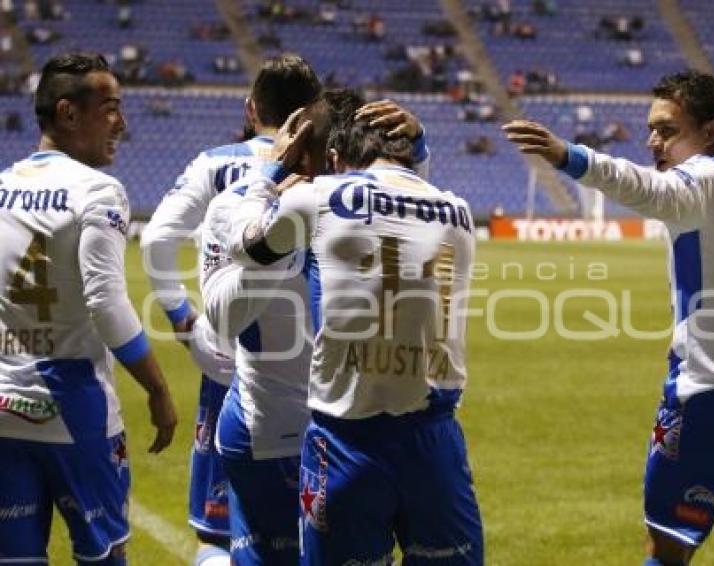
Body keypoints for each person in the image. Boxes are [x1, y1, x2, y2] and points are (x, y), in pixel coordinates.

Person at [504, 70, 714, 566]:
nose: (653, 140)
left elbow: (651, 191)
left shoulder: (707, 176)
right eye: (652, 129)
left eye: (667, 129)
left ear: (711, 132)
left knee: (667, 547)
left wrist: (569, 155)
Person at [223, 89, 481, 565]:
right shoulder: (458, 211)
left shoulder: (314, 197)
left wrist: (269, 172)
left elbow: (244, 245)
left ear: (337, 157)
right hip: (434, 442)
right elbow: (400, 206)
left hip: (344, 444)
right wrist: (418, 145)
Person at [140, 53, 322, 566]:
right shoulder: (326, 167)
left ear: (250, 108)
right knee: (319, 520)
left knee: (224, 529)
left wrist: (180, 317)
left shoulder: (215, 162)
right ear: (313, 115)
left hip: (227, 358)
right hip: (315, 370)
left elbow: (157, 237)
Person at [0, 51, 177, 563]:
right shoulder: (98, 191)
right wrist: (158, 389)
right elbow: (107, 302)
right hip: (73, 404)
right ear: (68, 113)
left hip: (6, 407)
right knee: (103, 555)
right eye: (110, 107)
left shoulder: (4, 186)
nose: (121, 122)